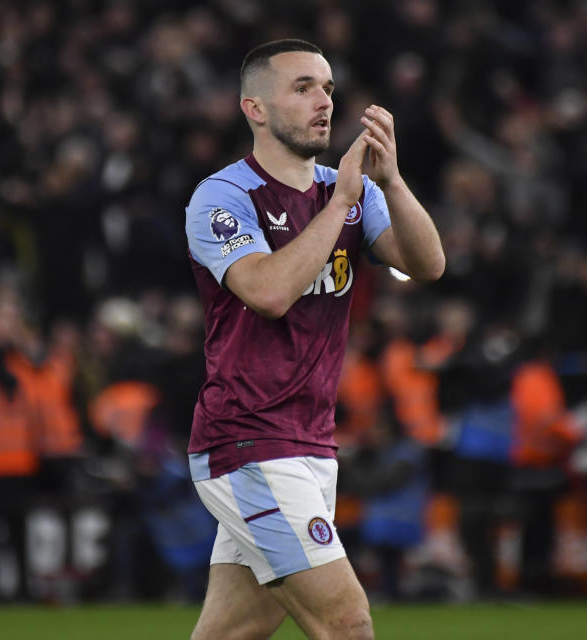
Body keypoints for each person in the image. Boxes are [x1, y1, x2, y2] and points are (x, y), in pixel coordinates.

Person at [183, 39, 444, 640]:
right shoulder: (223, 197)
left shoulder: (348, 189)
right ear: (255, 108)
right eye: (302, 88)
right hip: (246, 441)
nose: (323, 101)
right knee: (347, 622)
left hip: (310, 442)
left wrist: (393, 182)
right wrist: (345, 202)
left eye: (327, 88)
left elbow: (428, 264)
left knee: (233, 631)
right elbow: (268, 292)